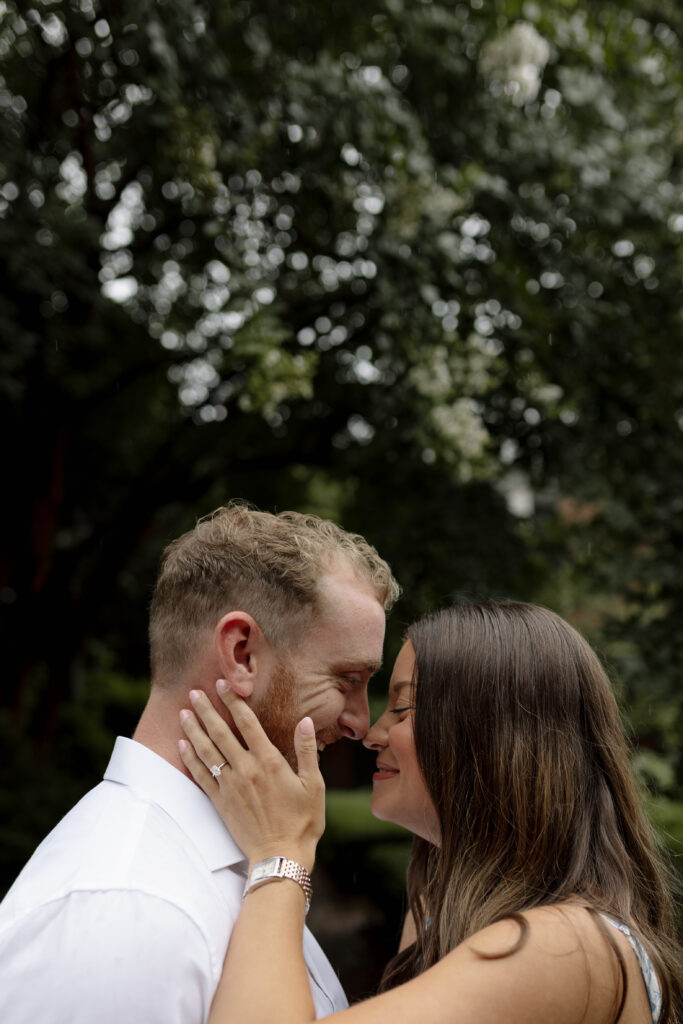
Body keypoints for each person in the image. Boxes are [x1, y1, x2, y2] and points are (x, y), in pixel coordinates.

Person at [179, 601, 683, 1024]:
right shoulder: (441, 903)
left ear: (490, 738)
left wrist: (280, 854)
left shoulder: (565, 948)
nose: (373, 734)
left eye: (402, 709)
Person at [0, 503, 399, 1024]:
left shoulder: (240, 857)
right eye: (347, 680)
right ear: (241, 654)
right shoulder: (124, 909)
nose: (359, 723)